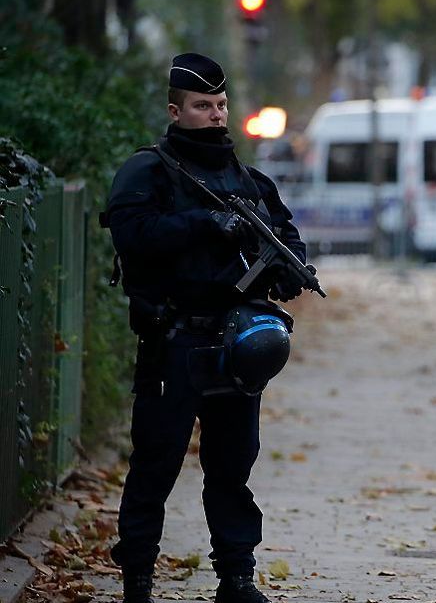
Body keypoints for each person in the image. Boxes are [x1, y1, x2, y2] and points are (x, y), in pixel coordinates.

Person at [103, 53, 313, 603]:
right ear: (176, 110)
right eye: (202, 106)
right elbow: (132, 235)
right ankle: (139, 581)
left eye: (221, 105)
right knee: (155, 465)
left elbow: (288, 235)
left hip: (235, 346)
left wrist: (288, 268)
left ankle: (237, 579)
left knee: (231, 469)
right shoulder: (147, 170)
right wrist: (203, 223)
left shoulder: (250, 180)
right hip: (174, 341)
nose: (215, 115)